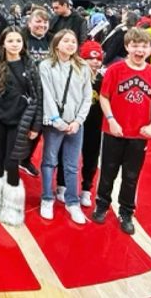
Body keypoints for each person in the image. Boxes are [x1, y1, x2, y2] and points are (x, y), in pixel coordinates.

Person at [91, 28, 151, 235]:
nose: (139, 50)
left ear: (150, 49)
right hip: (113, 131)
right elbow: (104, 97)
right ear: (127, 47)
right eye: (135, 45)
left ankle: (126, 212)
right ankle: (102, 205)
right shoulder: (115, 70)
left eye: (143, 46)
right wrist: (111, 120)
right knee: (107, 172)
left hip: (138, 135)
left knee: (131, 176)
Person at [0, 27, 42, 225]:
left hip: (20, 121)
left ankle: (13, 207)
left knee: (12, 162)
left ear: (23, 43)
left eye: (18, 40)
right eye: (10, 40)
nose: (15, 44)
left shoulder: (30, 65)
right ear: (3, 43)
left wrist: (35, 125)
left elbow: (37, 97)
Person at [37, 29, 92, 225]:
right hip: (54, 123)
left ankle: (72, 201)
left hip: (76, 124)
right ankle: (47, 198)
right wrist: (57, 120)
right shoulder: (46, 66)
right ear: (57, 43)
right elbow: (47, 95)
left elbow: (87, 97)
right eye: (66, 41)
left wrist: (78, 121)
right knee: (49, 162)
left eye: (73, 41)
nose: (70, 44)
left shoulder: (83, 66)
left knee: (71, 165)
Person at [54, 40, 104, 208]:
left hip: (94, 127)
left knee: (91, 158)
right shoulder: (73, 75)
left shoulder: (103, 79)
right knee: (66, 155)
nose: (95, 62)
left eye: (98, 59)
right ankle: (62, 185)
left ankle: (86, 189)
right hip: (73, 123)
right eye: (91, 58)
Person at [17, 8, 52, 176]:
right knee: (19, 126)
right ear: (29, 22)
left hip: (45, 91)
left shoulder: (52, 40)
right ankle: (11, 159)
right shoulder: (20, 37)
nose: (42, 25)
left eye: (45, 22)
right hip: (23, 89)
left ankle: (25, 159)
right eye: (38, 21)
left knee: (36, 128)